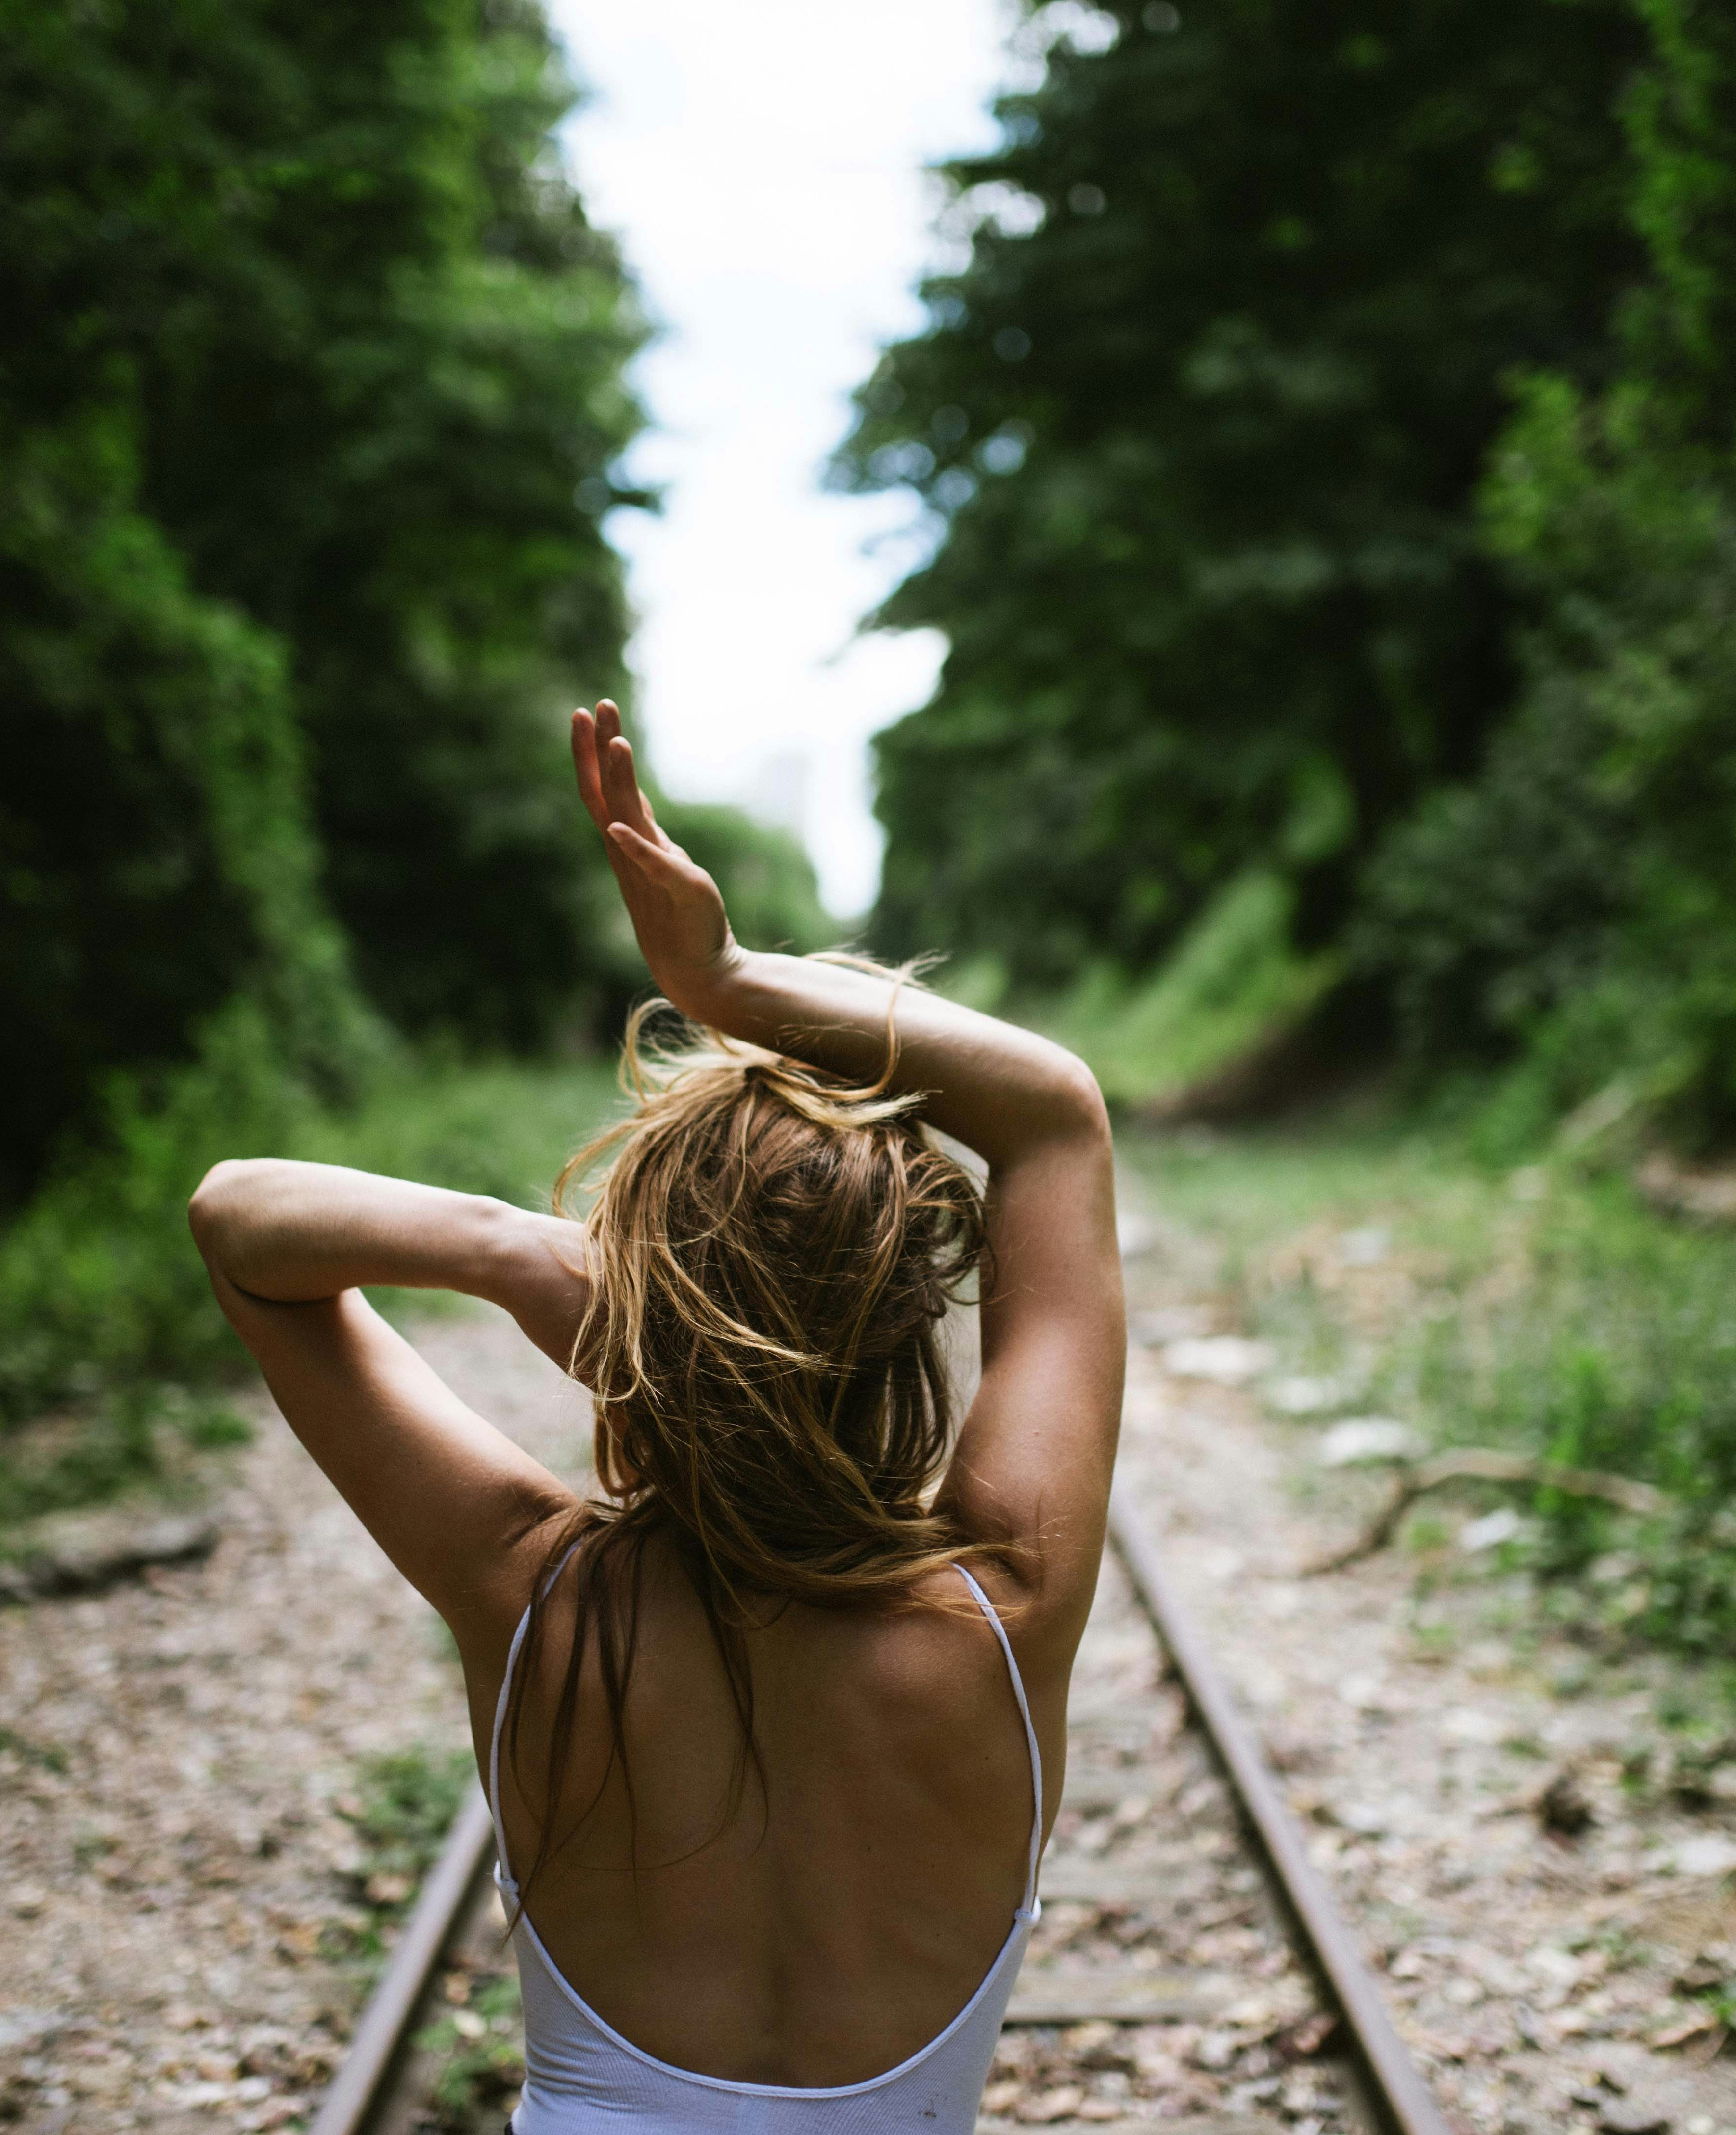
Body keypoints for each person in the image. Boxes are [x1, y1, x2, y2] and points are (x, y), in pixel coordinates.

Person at [187, 702, 1123, 2128]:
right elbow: (1054, 1114)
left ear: (637, 1323)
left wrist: (515, 1254)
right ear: (899, 1342)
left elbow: (239, 1220)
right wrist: (730, 978)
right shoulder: (1010, 1608)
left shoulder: (532, 1594)